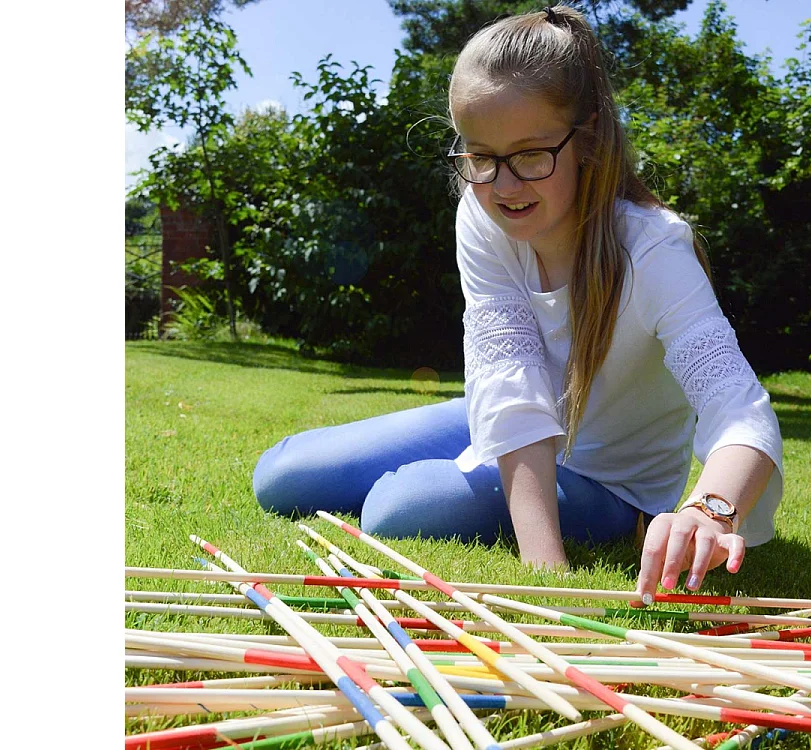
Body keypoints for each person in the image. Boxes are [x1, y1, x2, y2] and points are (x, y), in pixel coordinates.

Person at [253, 5, 783, 602]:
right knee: (280, 478)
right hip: (511, 415)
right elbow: (508, 380)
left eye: (531, 155)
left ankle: (624, 521)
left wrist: (709, 512)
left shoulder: (654, 248)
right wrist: (546, 562)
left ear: (587, 137)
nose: (503, 186)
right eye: (480, 157)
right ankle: (473, 462)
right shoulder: (480, 218)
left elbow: (740, 411)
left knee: (396, 508)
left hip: (608, 481)